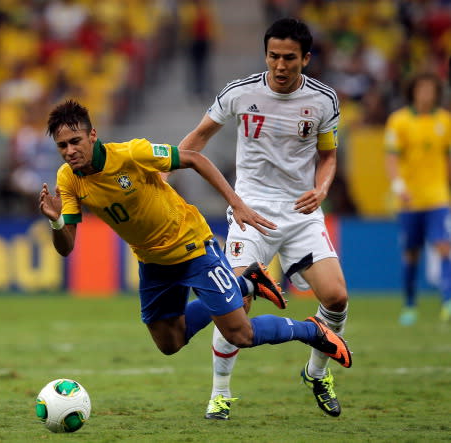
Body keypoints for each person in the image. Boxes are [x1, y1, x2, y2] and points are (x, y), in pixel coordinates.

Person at [38, 100, 352, 409]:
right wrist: (55, 221)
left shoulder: (132, 154)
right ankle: (246, 282)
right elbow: (67, 248)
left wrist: (237, 202)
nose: (69, 151)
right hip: (153, 262)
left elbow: (194, 159)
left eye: (75, 141)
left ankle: (313, 330)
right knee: (169, 343)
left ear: (93, 135)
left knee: (240, 333)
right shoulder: (68, 179)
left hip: (192, 248)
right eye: (62, 146)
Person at [178, 18, 349, 418]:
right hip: (250, 210)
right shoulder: (240, 93)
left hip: (301, 214)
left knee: (337, 298)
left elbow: (328, 156)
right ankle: (219, 393)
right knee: (234, 303)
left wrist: (321, 189)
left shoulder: (324, 101)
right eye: (273, 56)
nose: (280, 65)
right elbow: (198, 138)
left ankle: (316, 372)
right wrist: (162, 169)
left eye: (290, 57)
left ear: (305, 59)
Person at [384, 72, 451, 325]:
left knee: (444, 246)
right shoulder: (399, 121)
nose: (426, 94)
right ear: (413, 91)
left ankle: (448, 301)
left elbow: (447, 159)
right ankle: (410, 305)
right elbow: (391, 158)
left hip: (437, 197)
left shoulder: (445, 120)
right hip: (409, 199)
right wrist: (398, 185)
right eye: (421, 89)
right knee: (411, 253)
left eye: (430, 89)